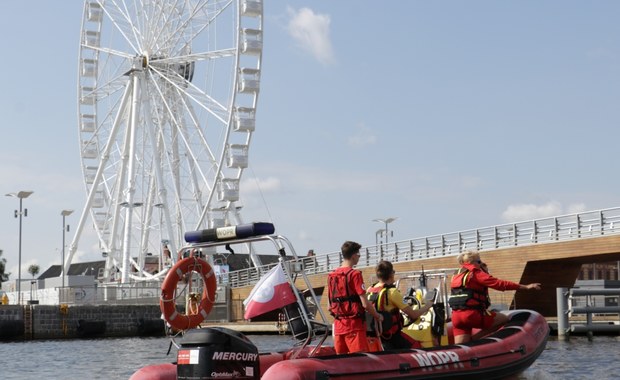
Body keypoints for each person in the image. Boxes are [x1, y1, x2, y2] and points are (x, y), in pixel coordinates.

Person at [449, 250, 541, 344]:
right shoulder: (476, 274)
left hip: (456, 317)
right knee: (503, 319)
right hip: (472, 315)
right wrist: (525, 286)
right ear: (472, 263)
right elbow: (499, 284)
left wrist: (484, 270)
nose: (481, 264)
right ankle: (475, 339)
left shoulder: (457, 275)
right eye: (479, 262)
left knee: (460, 347)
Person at [328, 241, 383, 354]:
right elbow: (365, 304)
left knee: (341, 362)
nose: (359, 257)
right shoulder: (355, 275)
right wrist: (377, 316)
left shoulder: (332, 276)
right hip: (354, 326)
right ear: (353, 256)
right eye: (358, 255)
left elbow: (330, 306)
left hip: (338, 326)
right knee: (359, 360)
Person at [366, 260, 433, 350]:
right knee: (417, 347)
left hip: (376, 334)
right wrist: (427, 306)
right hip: (391, 336)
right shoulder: (392, 292)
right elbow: (413, 314)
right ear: (391, 274)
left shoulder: (370, 289)